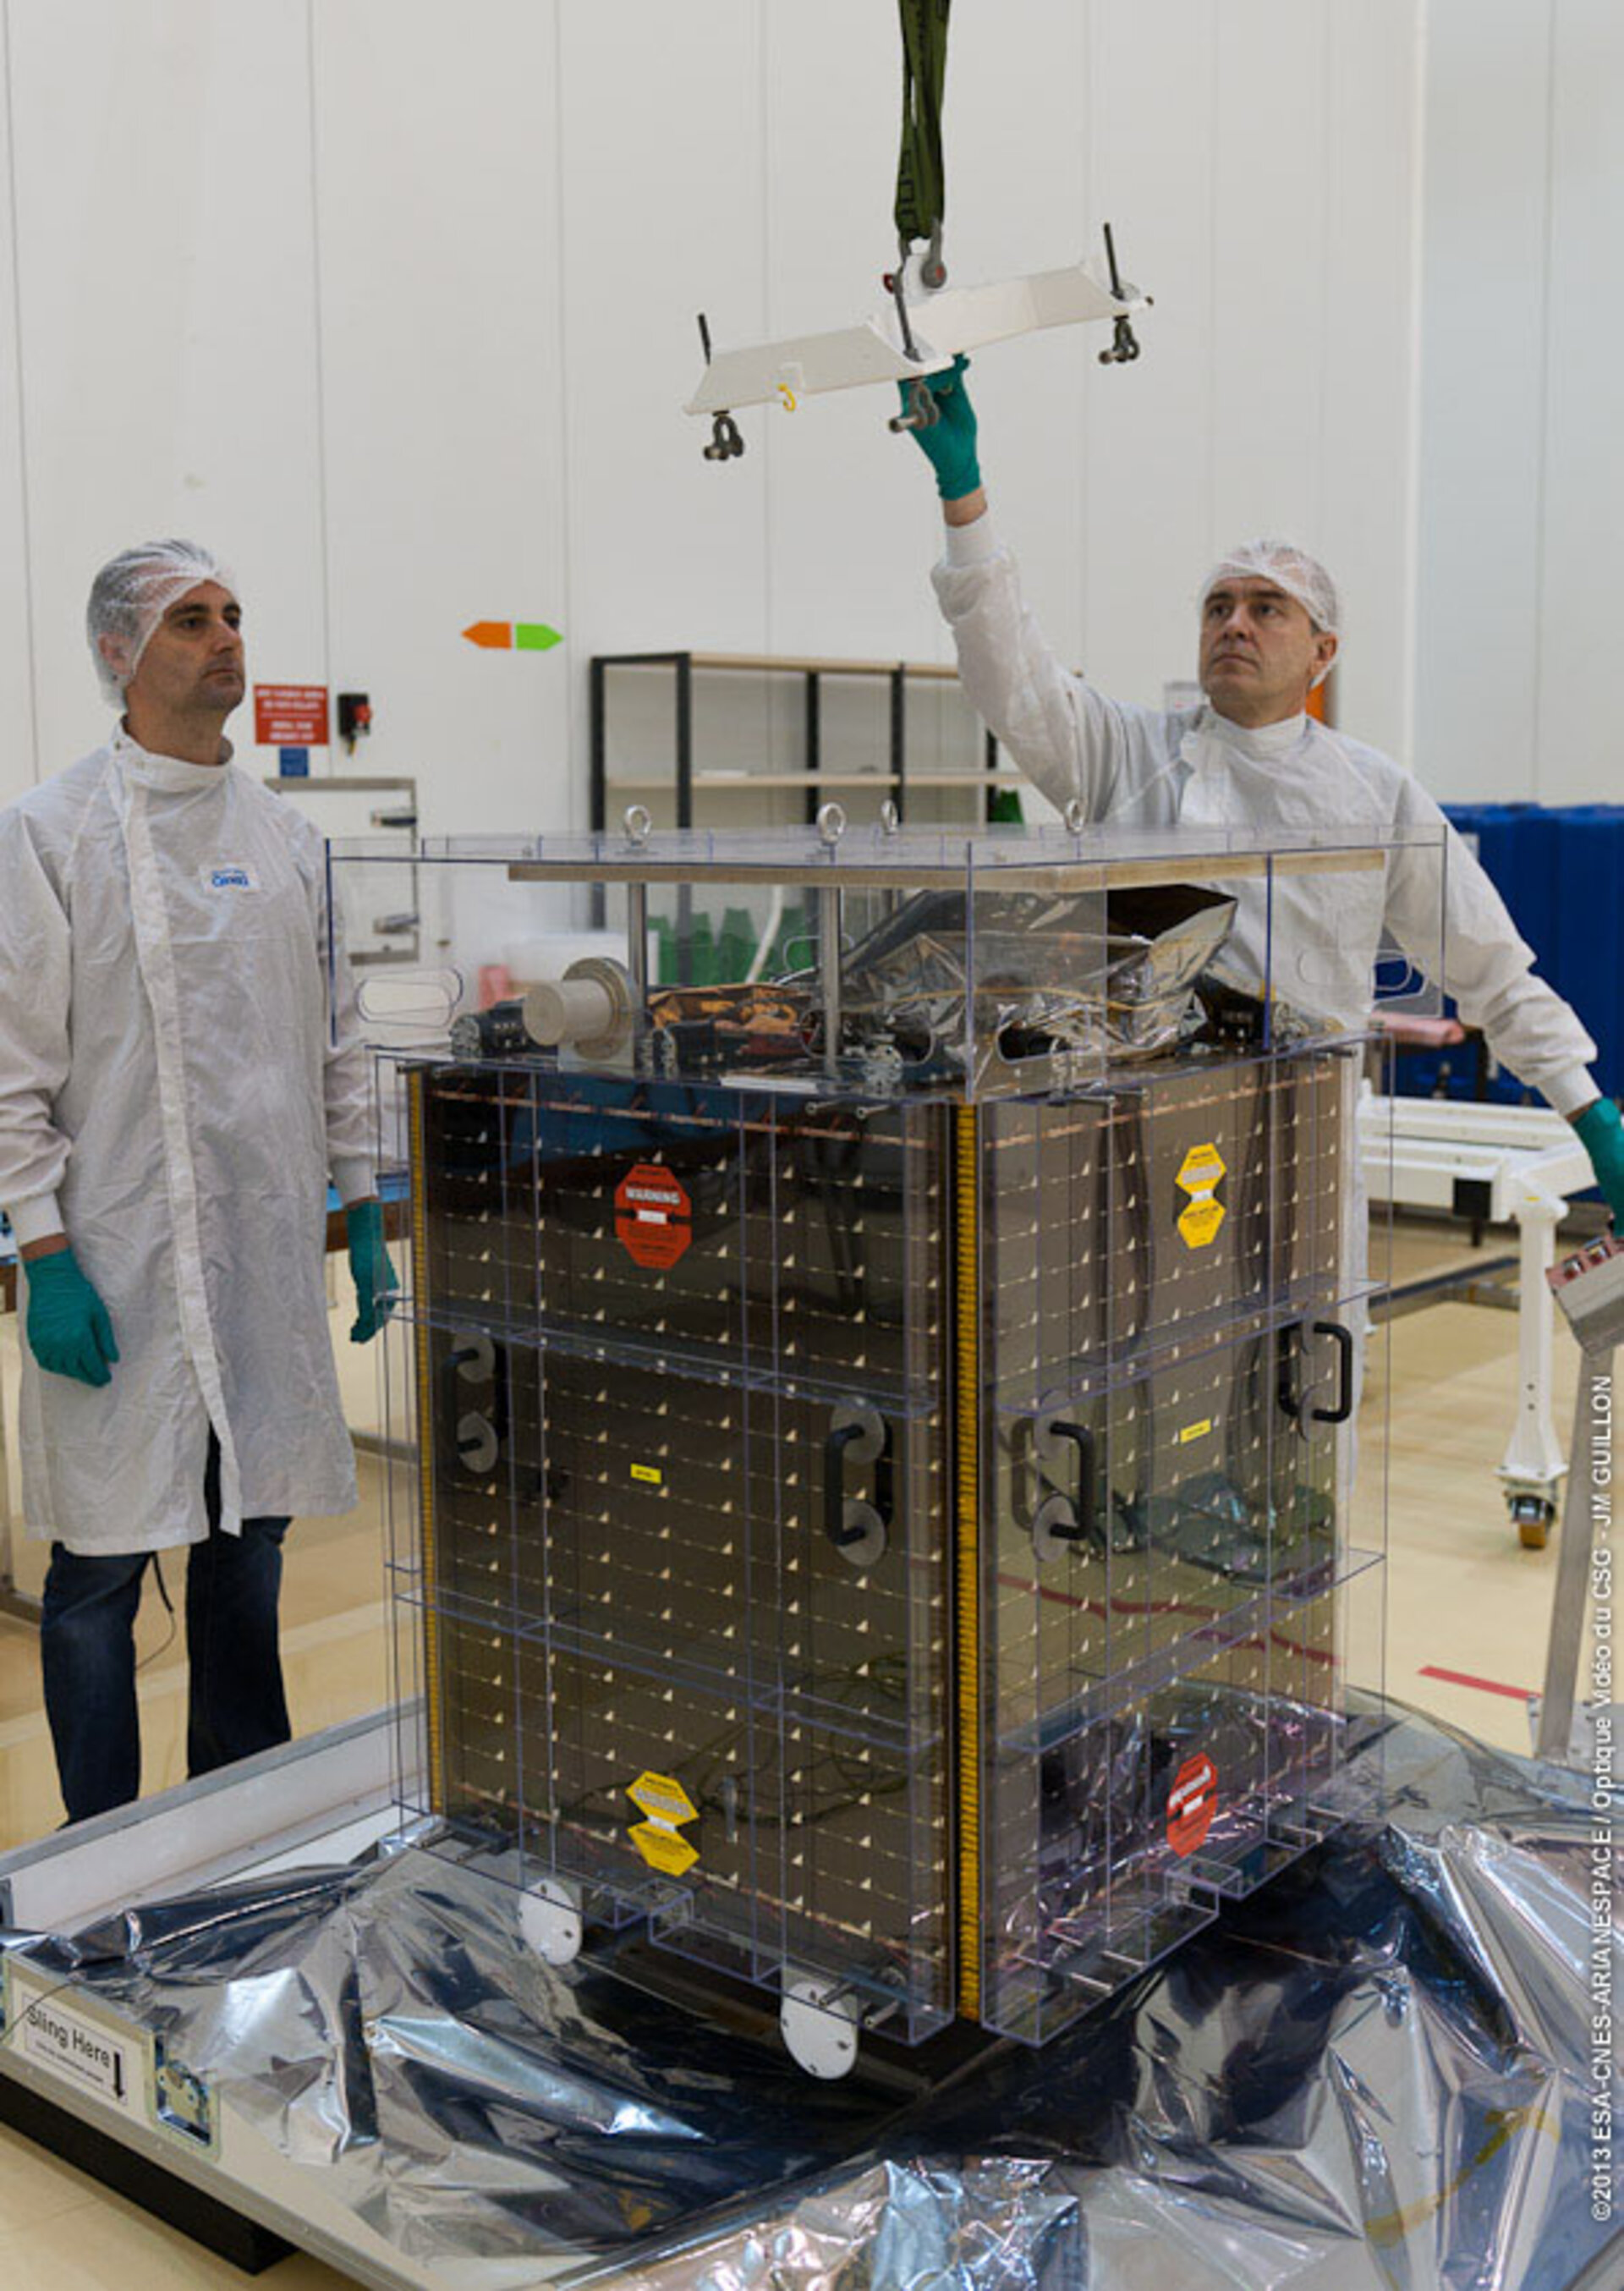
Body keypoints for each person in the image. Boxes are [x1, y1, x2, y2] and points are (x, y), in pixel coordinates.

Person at [903, 356, 1624, 1219]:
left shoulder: (1375, 793)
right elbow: (1007, 676)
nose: (1233, 623)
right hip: (1135, 1141)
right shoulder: (1128, 754)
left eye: (1265, 607)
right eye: (1218, 607)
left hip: (1305, 1148)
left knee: (1311, 1351)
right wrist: (966, 493)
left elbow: (1490, 971)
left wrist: (1592, 1115)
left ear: (1323, 652)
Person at [0, 541, 397, 1824]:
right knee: (101, 1572)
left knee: (251, 1548)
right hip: (113, 1265)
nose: (225, 639)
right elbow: (9, 1068)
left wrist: (365, 1206)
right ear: (120, 653)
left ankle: (238, 1832)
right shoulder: (51, 835)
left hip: (261, 1258)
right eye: (189, 621)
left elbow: (337, 1039)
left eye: (232, 615)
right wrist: (42, 1254)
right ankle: (94, 1862)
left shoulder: (287, 839)